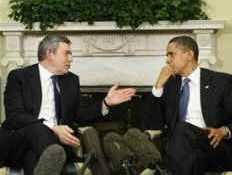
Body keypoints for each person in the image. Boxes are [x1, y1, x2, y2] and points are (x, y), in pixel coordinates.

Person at [0, 35, 135, 175]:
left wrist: (106, 103)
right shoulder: (19, 77)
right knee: (39, 130)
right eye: (67, 53)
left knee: (35, 159)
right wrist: (53, 128)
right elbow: (15, 116)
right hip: (19, 141)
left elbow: (80, 114)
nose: (71, 59)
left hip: (52, 147)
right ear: (50, 54)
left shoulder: (71, 80)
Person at [145, 35, 232, 175]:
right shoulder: (170, 85)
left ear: (189, 55)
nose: (167, 60)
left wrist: (224, 131)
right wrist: (158, 86)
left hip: (212, 145)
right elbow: (154, 124)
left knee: (182, 128)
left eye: (171, 54)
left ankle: (161, 168)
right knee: (174, 142)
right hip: (180, 149)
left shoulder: (221, 81)